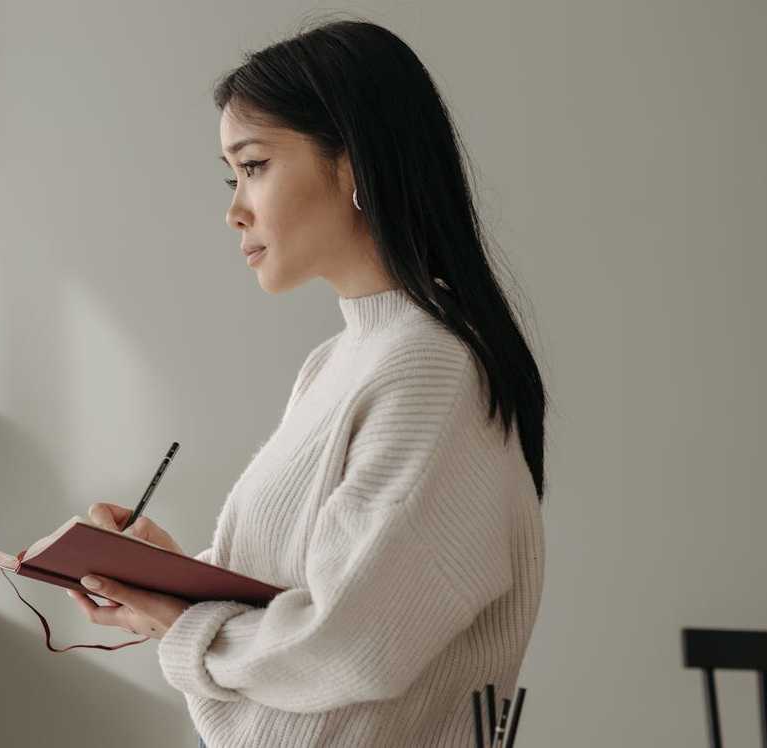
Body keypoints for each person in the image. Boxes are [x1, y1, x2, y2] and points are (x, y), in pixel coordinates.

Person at [66, 16, 547, 747]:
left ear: (352, 165)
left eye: (253, 166)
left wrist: (182, 621)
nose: (234, 209)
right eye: (232, 176)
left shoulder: (431, 369)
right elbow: (321, 593)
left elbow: (356, 645)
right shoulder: (340, 362)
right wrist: (167, 579)